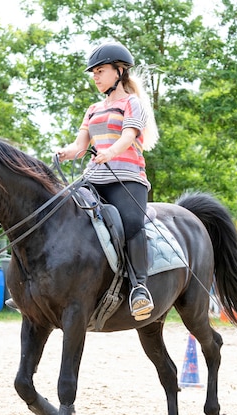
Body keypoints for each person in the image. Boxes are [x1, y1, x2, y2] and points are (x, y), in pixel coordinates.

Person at [57, 41, 159, 321]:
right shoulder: (93, 109)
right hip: (94, 177)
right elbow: (80, 146)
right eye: (94, 73)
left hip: (127, 178)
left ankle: (139, 288)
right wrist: (65, 153)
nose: (96, 77)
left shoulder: (132, 104)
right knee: (63, 214)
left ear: (119, 71)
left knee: (132, 224)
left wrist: (110, 152)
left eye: (100, 71)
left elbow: (128, 137)